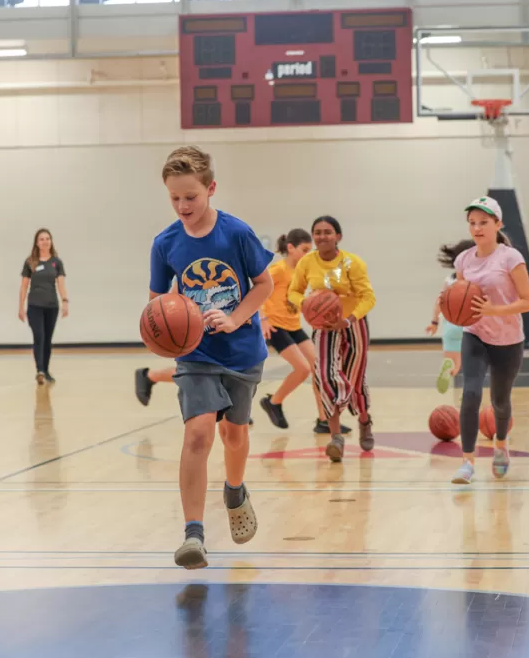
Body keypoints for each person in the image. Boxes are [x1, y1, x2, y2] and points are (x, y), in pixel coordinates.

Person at [149, 145, 273, 569]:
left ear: (211, 189)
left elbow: (264, 286)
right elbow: (157, 301)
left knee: (233, 436)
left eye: (191, 197)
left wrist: (236, 318)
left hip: (241, 351)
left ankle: (235, 490)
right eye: (175, 198)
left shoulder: (236, 233)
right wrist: (171, 320)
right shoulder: (165, 243)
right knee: (198, 434)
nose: (183, 206)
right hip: (195, 354)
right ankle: (194, 535)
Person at [451, 197, 529, 484]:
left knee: (500, 402)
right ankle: (467, 463)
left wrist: (494, 310)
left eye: (484, 222)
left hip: (509, 339)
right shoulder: (463, 260)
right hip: (475, 335)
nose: (477, 228)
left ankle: (501, 444)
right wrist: (448, 303)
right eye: (472, 223)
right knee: (471, 394)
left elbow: (528, 302)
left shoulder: (511, 258)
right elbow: (461, 297)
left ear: (498, 224)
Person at [287, 216, 376, 463]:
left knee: (355, 379)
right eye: (317, 232)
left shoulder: (352, 263)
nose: (322, 236)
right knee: (326, 377)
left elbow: (368, 297)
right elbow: (293, 291)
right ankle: (335, 437)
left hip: (352, 323)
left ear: (338, 236)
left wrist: (348, 320)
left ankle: (364, 420)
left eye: (328, 232)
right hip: (324, 327)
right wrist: (305, 303)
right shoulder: (307, 262)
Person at [256, 229, 336, 432]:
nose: (308, 254)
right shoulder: (278, 270)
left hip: (293, 325)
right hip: (275, 325)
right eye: (305, 249)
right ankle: (274, 402)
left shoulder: (303, 272)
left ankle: (324, 420)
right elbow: (257, 291)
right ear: (290, 248)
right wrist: (262, 319)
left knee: (318, 368)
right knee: (303, 369)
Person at [18, 228, 68, 384]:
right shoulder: (30, 262)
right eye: (42, 239)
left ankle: (45, 370)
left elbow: (61, 283)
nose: (45, 241)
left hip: (52, 306)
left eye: (47, 238)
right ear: (37, 243)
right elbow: (24, 286)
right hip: (35, 306)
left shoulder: (56, 262)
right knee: (39, 337)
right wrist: (21, 307)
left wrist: (65, 301)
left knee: (47, 339)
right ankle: (39, 370)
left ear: (51, 242)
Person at [426, 239, 473, 394]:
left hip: (450, 324)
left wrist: (434, 322)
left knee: (452, 359)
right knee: (468, 364)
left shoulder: (449, 280)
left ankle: (449, 367)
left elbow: (439, 301)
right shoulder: (475, 279)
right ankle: (466, 393)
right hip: (469, 324)